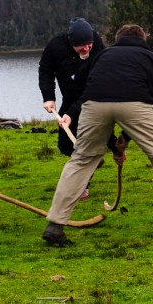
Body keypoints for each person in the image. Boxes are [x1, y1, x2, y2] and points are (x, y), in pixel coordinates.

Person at [42, 24, 153, 246]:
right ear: (143, 39)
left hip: (94, 104)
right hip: (137, 103)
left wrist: (120, 141)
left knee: (80, 160)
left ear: (118, 40)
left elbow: (90, 91)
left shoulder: (103, 55)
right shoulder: (150, 57)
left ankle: (55, 225)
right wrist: (126, 138)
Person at [38, 17, 105, 200]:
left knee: (84, 143)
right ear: (71, 42)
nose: (86, 49)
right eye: (81, 46)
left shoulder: (97, 44)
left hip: (94, 99)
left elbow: (97, 83)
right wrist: (48, 97)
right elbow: (45, 70)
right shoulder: (55, 47)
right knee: (66, 145)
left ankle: (83, 185)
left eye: (89, 44)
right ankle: (94, 159)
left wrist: (72, 113)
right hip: (70, 98)